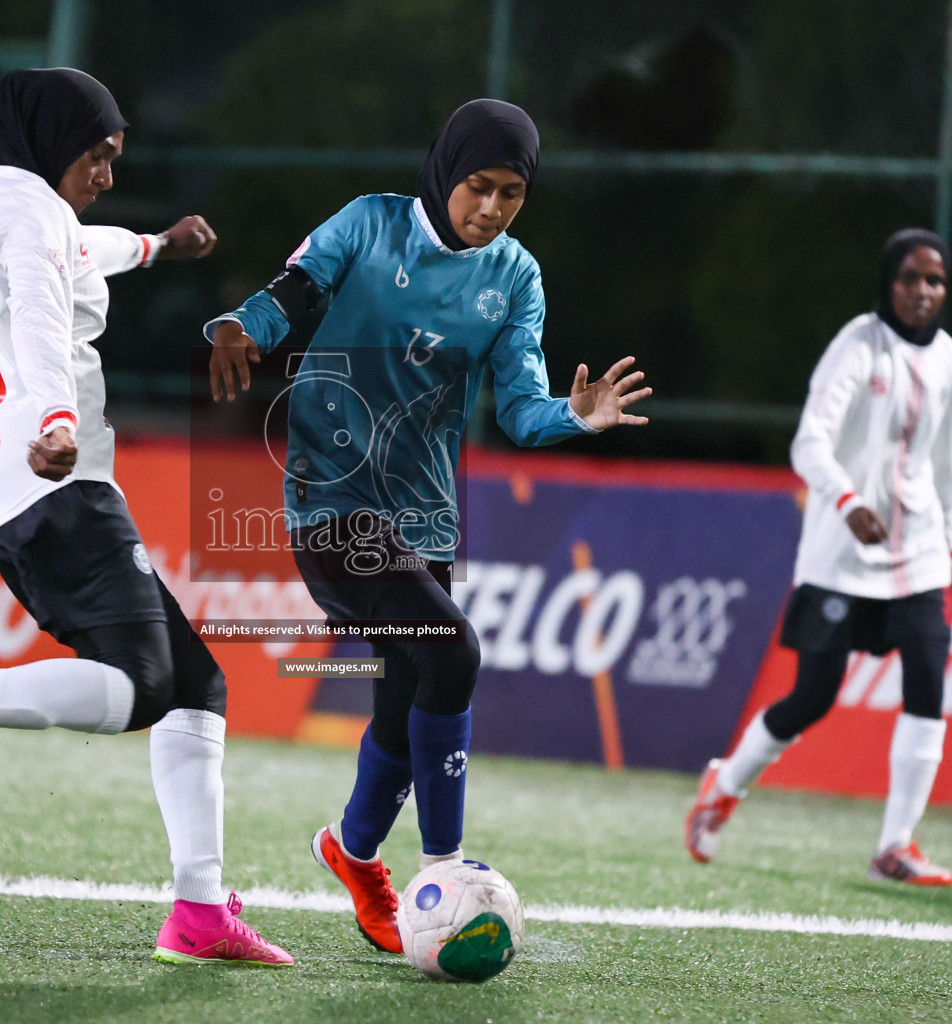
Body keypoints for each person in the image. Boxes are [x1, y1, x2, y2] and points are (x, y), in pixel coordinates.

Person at [0, 68, 292, 967]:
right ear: (56, 144)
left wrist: (156, 247)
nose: (107, 174)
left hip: (19, 486)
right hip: (52, 481)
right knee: (142, 687)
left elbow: (76, 254)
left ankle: (199, 913)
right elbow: (46, 318)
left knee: (196, 686)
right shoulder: (33, 217)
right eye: (100, 155)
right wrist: (53, 424)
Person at [206, 99, 651, 952]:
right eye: (478, 187)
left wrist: (576, 416)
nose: (490, 208)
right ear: (446, 171)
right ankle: (445, 867)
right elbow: (287, 295)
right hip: (332, 502)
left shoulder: (516, 277)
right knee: (454, 652)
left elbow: (522, 410)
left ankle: (352, 851)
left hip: (425, 522)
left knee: (407, 707)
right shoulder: (367, 227)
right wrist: (236, 327)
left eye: (511, 194)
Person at [685, 228, 952, 886]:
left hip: (918, 554)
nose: (923, 292)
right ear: (888, 283)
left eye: (936, 281)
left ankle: (895, 844)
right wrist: (846, 500)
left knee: (928, 682)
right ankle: (725, 786)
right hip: (842, 553)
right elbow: (808, 442)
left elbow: (949, 455)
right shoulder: (857, 345)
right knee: (813, 698)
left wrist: (947, 534)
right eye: (910, 278)